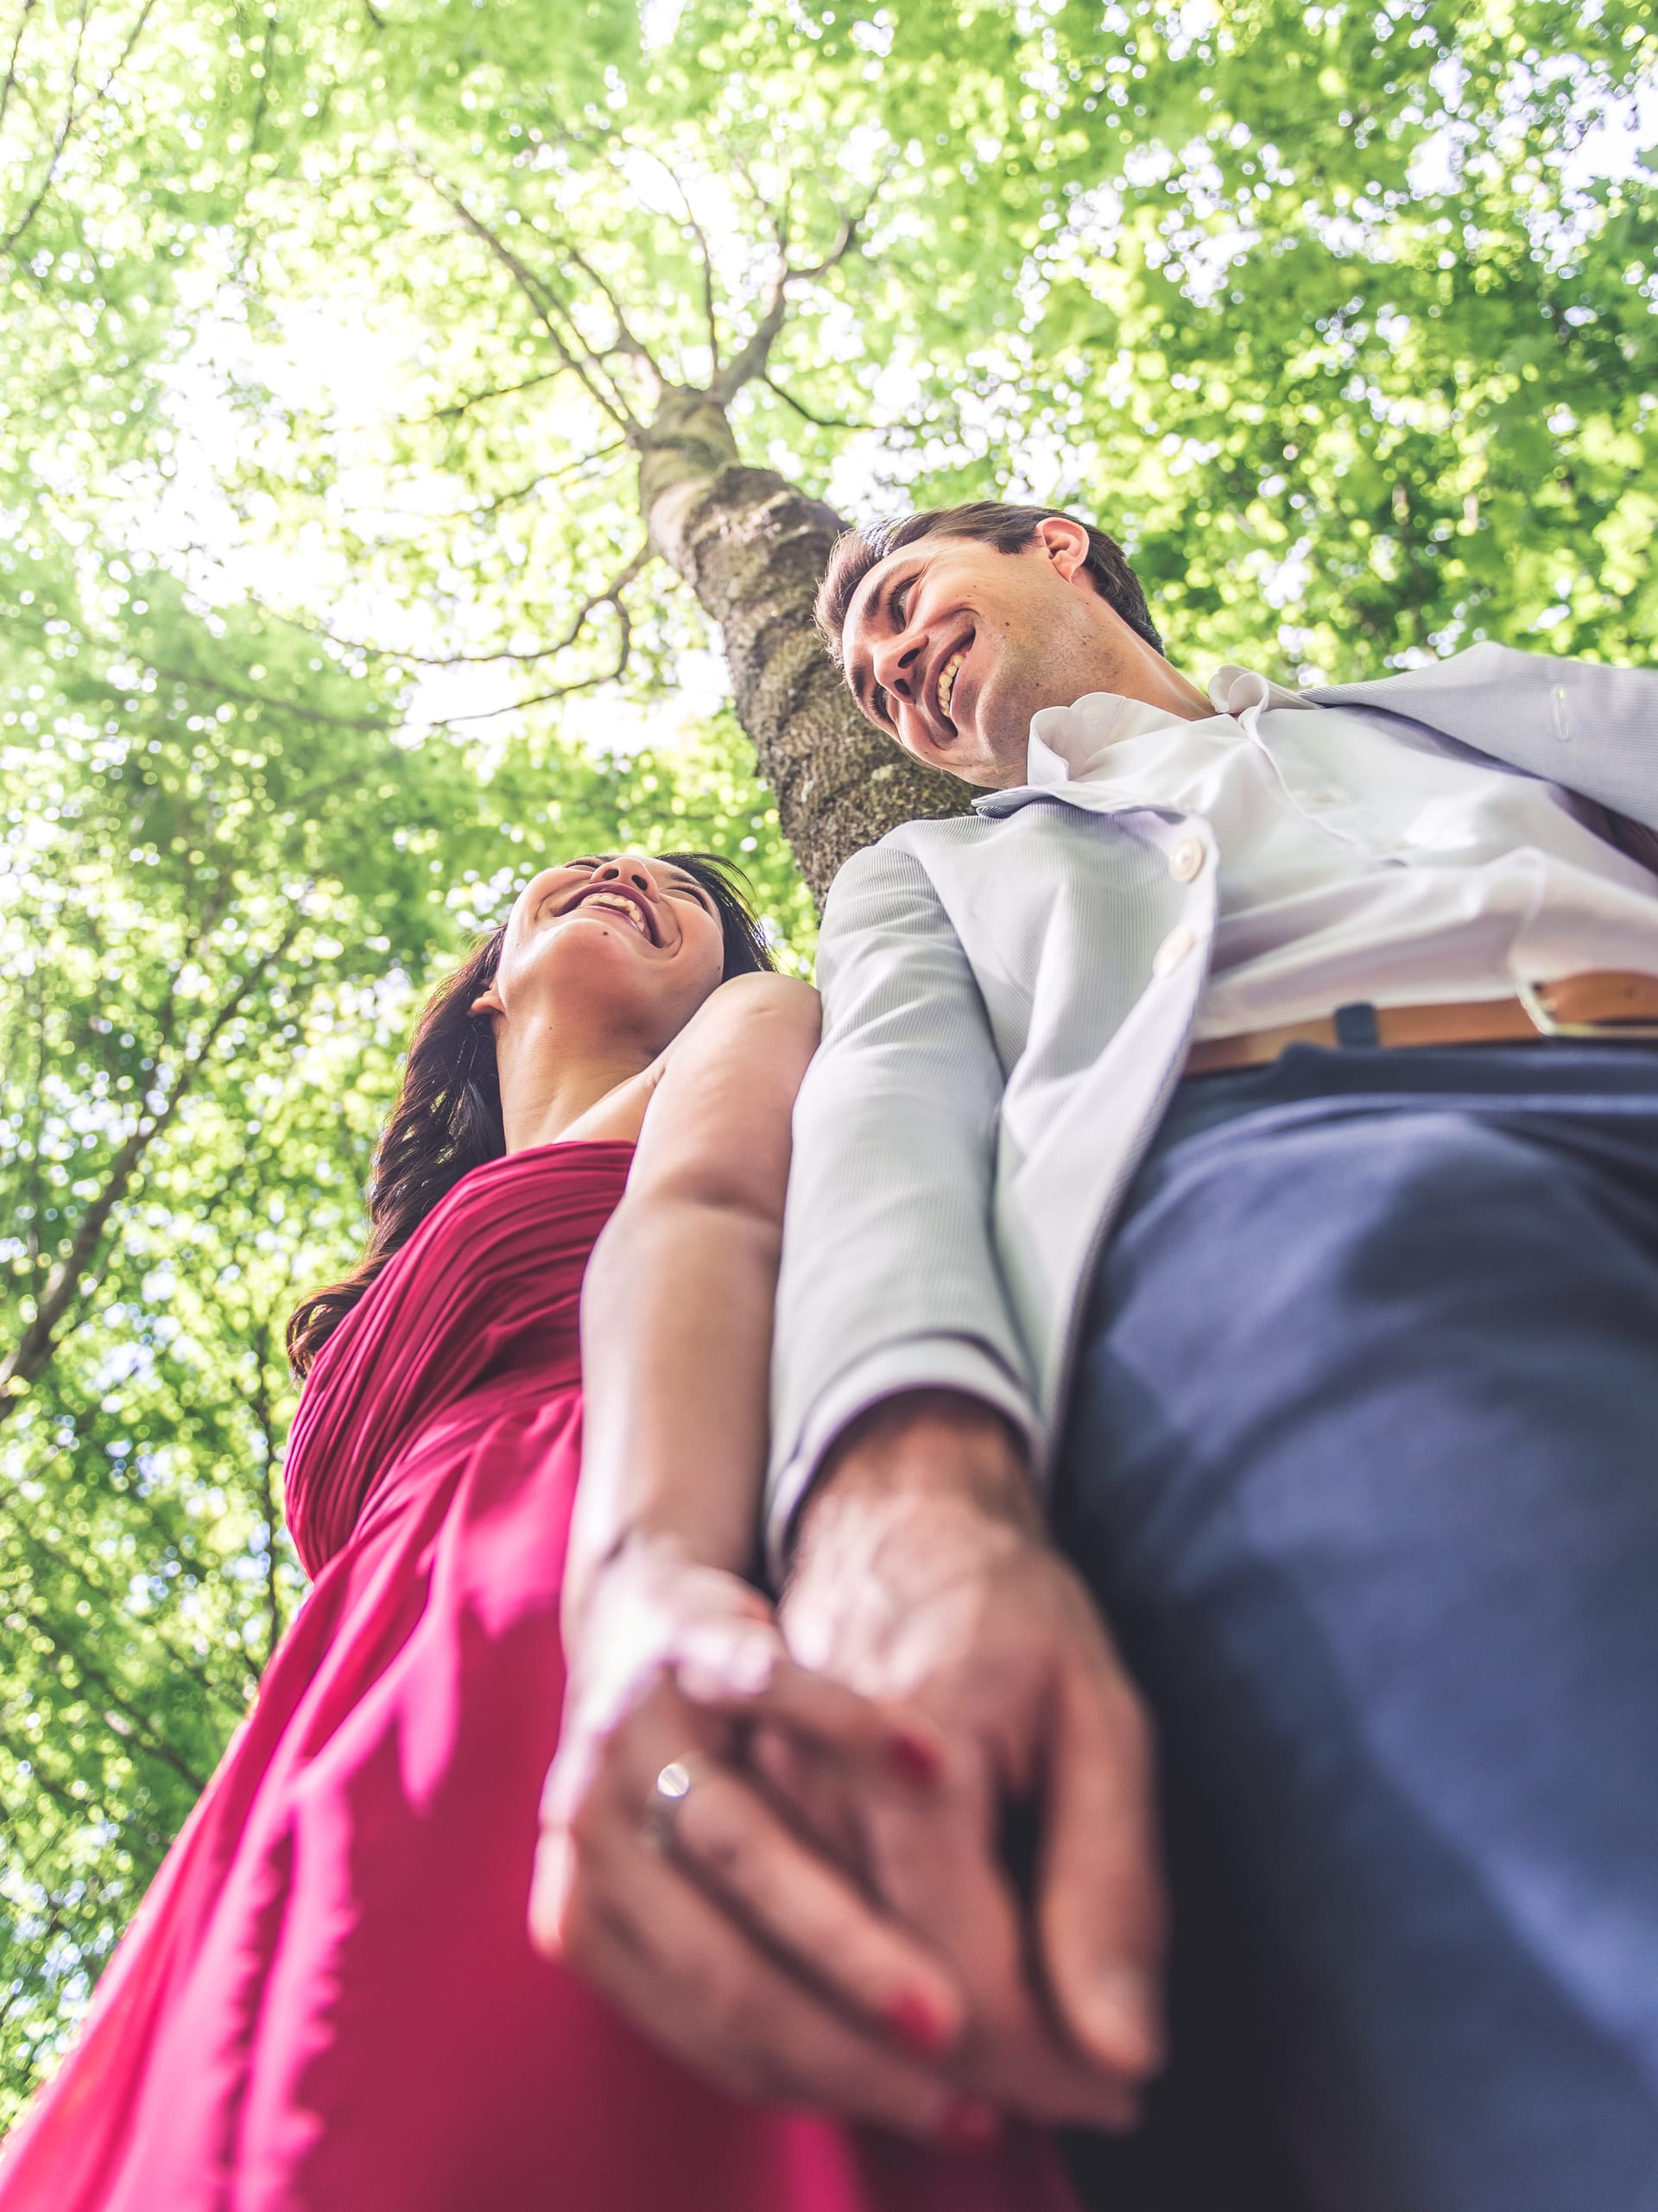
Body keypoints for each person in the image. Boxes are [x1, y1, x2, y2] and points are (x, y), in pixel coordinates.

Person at [548, 505, 1658, 2212]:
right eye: (867, 682)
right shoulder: (924, 878)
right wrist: (902, 1492)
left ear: (1061, 548)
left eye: (908, 603)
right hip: (1325, 1193)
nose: (895, 669)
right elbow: (885, 1131)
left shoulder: (1471, 703)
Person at [0, 845, 1075, 2212]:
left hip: (601, 1540)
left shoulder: (759, 1027)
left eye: (694, 896)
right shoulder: (376, 1287)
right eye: (581, 871)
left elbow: (722, 1213)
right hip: (347, 1695)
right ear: (488, 994)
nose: (634, 870)